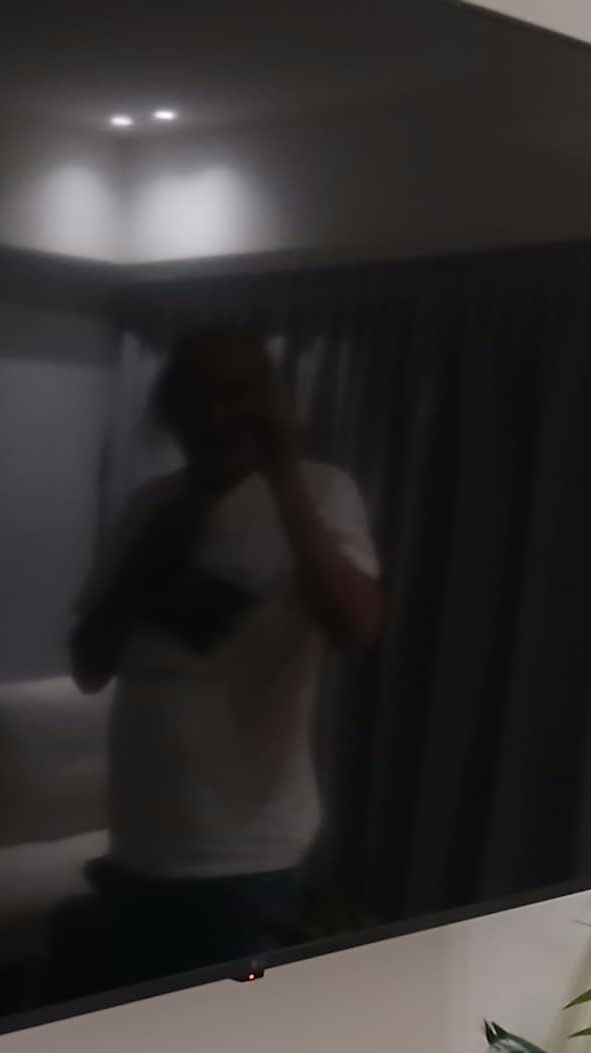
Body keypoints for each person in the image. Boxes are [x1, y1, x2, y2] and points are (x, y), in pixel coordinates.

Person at [70, 326, 381, 980]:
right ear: (169, 406)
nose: (214, 416)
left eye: (235, 394)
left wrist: (285, 480)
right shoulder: (147, 507)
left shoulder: (323, 492)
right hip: (138, 850)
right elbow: (88, 667)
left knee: (239, 1044)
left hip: (250, 860)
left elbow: (354, 628)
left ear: (269, 401)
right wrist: (147, 563)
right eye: (194, 396)